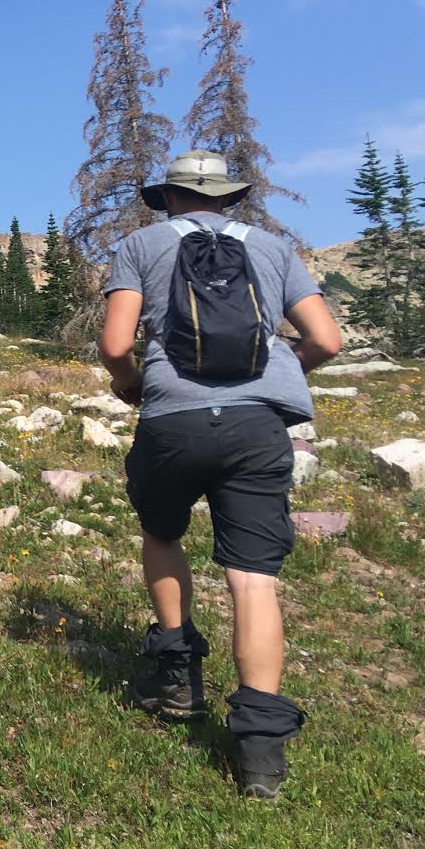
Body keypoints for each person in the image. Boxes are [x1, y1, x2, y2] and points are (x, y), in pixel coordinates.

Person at [98, 149, 341, 799]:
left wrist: (130, 389)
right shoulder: (273, 249)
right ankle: (260, 751)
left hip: (173, 422)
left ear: (171, 198)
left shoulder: (140, 245)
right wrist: (280, 375)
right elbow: (327, 339)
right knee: (252, 578)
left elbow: (116, 344)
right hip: (256, 429)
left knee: (163, 532)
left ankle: (177, 677)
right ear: (229, 199)